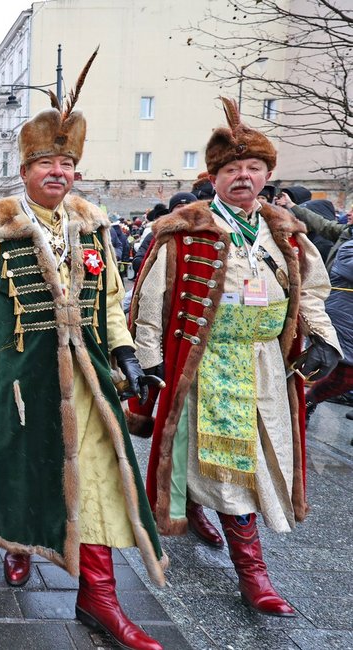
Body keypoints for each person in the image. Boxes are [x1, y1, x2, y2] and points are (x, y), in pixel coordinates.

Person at [0, 51, 167, 650]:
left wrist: (123, 352)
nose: (59, 172)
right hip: (21, 374)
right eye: (47, 162)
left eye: (68, 163)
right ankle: (18, 543)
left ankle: (100, 599)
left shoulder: (93, 227)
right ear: (26, 169)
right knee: (21, 473)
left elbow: (112, 300)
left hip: (89, 378)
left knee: (94, 481)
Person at [130, 98, 340, 618]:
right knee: (229, 464)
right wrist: (151, 363)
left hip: (268, 363)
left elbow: (311, 292)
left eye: (253, 168)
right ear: (214, 177)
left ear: (268, 175)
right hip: (206, 364)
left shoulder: (287, 233)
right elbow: (151, 304)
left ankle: (203, 508)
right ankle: (254, 575)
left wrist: (322, 338)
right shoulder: (183, 232)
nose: (243, 177)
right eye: (232, 169)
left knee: (251, 457)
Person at [305, 237, 353, 420]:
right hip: (341, 322)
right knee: (337, 374)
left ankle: (306, 403)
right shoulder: (349, 247)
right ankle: (304, 403)